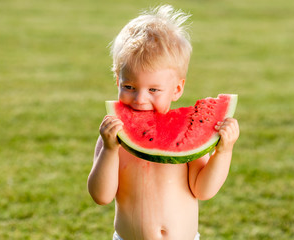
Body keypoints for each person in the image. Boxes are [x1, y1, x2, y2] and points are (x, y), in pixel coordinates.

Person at [87, 5, 240, 240]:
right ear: (117, 79)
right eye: (129, 87)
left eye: (153, 89)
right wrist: (109, 150)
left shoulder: (186, 133)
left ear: (177, 88)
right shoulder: (113, 136)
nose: (140, 99)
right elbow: (102, 196)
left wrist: (224, 151)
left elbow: (203, 189)